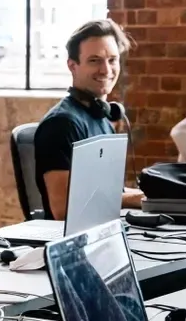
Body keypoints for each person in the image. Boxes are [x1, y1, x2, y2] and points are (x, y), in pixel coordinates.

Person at [32, 19, 143, 221]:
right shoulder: (61, 125)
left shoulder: (101, 117)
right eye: (94, 60)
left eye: (112, 60)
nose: (106, 70)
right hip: (74, 237)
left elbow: (109, 191)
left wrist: (157, 198)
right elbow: (63, 209)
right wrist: (134, 199)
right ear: (72, 66)